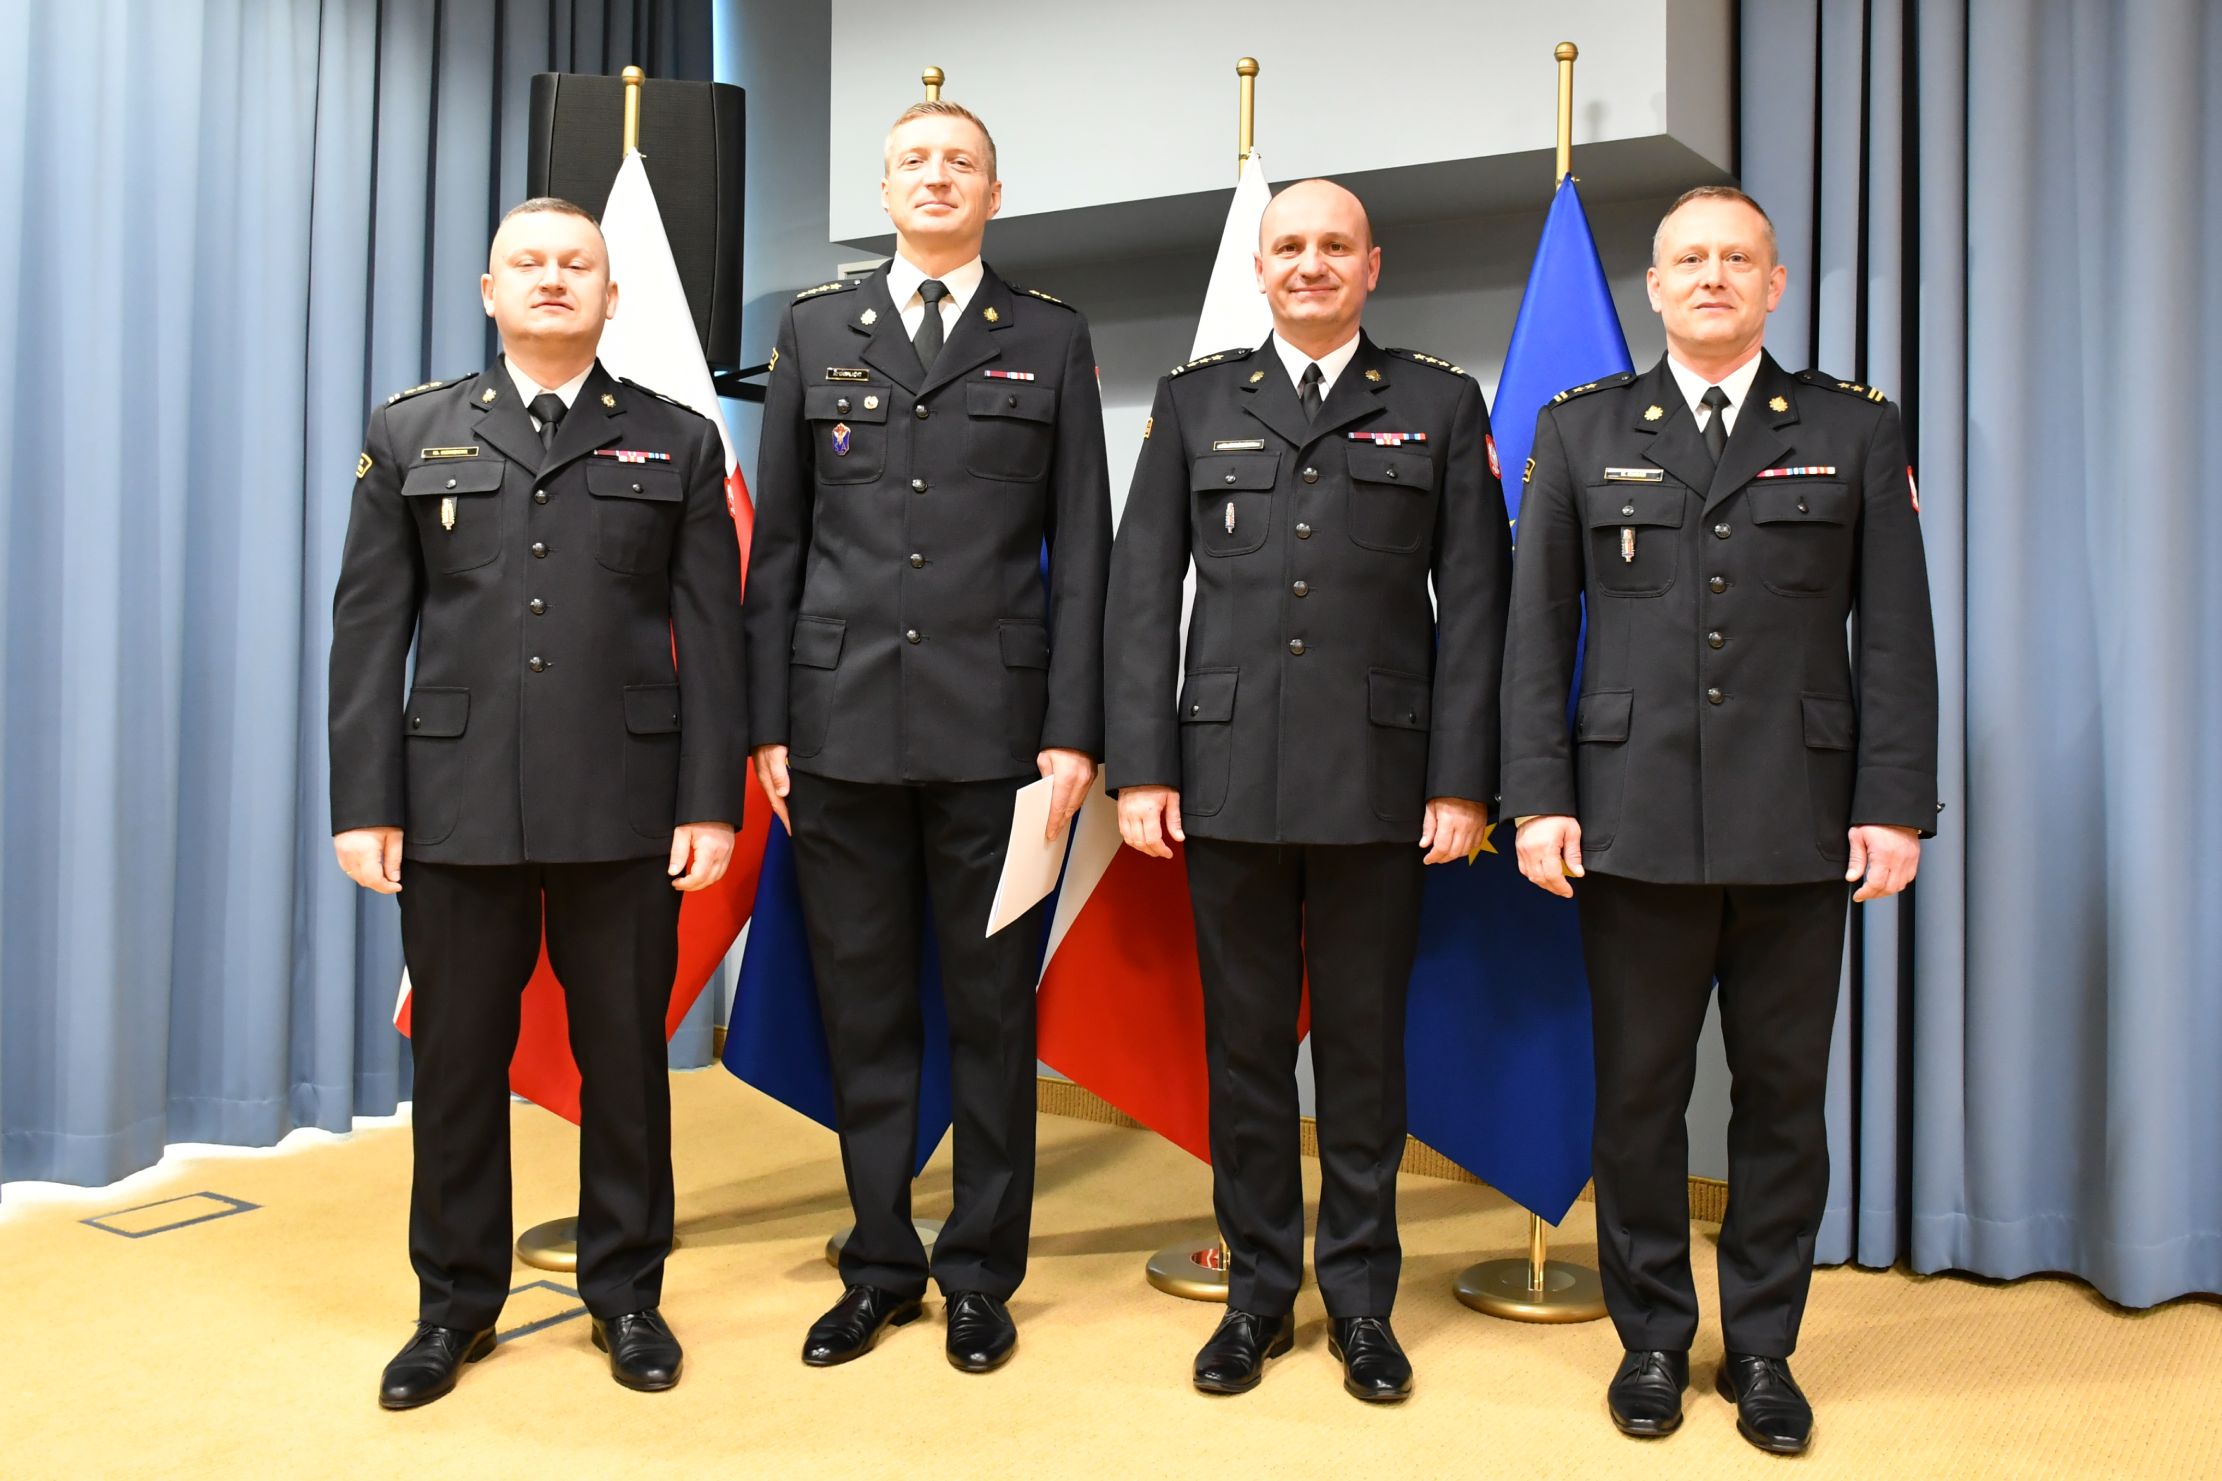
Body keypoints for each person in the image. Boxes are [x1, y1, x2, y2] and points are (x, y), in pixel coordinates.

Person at [1500, 185, 1939, 1455]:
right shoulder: (1579, 428)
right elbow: (1535, 634)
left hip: (1798, 823)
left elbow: (1894, 633)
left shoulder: (1852, 428)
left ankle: (1760, 1348)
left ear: (1773, 283)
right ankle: (1647, 1336)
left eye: (1734, 258)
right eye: (1687, 259)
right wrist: (1536, 795)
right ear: (1651, 287)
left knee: (1781, 1099)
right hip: (1628, 819)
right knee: (1636, 1095)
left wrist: (1893, 804)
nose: (1710, 276)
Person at [329, 197, 745, 1407]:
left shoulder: (674, 438)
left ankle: (627, 1294)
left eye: (576, 264)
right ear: (489, 289)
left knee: (625, 1061)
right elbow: (370, 628)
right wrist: (365, 799)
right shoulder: (412, 430)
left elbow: (713, 638)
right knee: (459, 1064)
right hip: (454, 802)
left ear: (612, 295)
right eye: (528, 262)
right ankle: (452, 1305)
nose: (552, 278)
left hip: (626, 801)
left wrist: (709, 800)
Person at [1105, 179, 1511, 1404]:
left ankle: (1362, 1301)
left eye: (1335, 245)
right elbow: (1141, 594)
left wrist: (1461, 781)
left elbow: (1476, 607)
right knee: (1240, 1051)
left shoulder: (1436, 402)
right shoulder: (1194, 400)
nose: (1311, 262)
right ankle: (1256, 1295)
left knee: (1362, 1053)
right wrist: (1142, 765)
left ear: (1370, 266)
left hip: (1381, 780)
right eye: (1289, 245)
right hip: (1225, 776)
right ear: (1259, 266)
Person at [744, 99, 1111, 1375]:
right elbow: (780, 545)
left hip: (1000, 738)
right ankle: (878, 1262)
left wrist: (1073, 730)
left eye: (960, 163)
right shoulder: (814, 328)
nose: (936, 177)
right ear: (885, 187)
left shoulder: (1048, 336)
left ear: (993, 193)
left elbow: (1083, 549)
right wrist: (767, 723)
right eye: (914, 161)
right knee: (862, 1006)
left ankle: (978, 1272)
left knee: (993, 1012)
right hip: (837, 729)